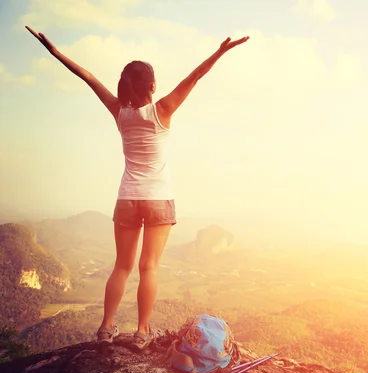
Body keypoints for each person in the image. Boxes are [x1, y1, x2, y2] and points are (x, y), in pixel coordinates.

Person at [26, 26, 249, 351]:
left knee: (122, 266)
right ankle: (143, 331)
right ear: (153, 86)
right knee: (150, 267)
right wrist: (221, 51)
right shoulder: (163, 110)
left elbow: (88, 77)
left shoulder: (120, 112)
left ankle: (106, 328)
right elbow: (196, 76)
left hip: (128, 198)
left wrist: (55, 51)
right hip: (159, 199)